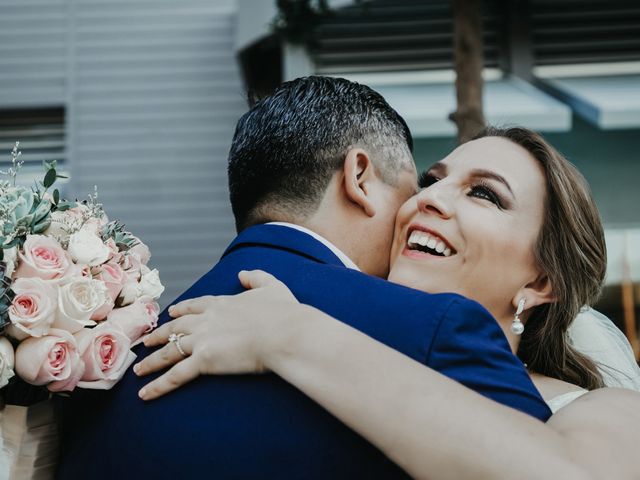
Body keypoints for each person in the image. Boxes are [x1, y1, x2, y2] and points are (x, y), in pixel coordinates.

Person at [56, 78, 550, 480]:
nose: (424, 205)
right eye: (421, 183)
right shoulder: (432, 329)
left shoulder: (104, 368)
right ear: (359, 177)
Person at [135, 127, 640, 479]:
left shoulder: (609, 408)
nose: (428, 199)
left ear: (542, 280)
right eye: (431, 180)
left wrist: (290, 336)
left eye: (484, 194)